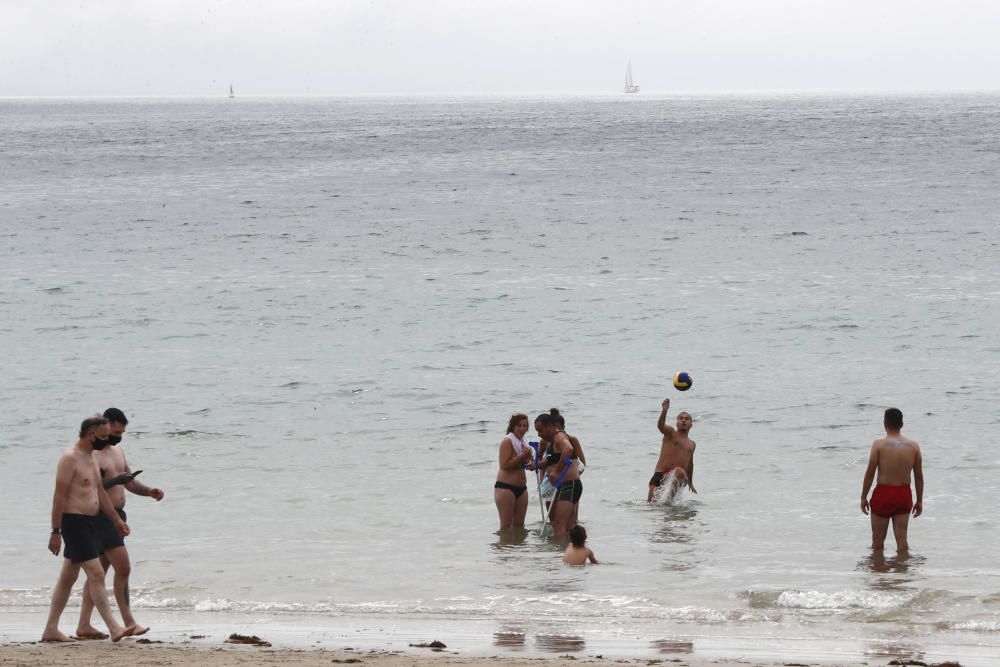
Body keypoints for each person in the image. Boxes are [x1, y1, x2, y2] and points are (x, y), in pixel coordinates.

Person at [42, 415, 136, 643]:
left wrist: (116, 520)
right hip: (74, 522)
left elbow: (100, 494)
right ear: (90, 434)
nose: (107, 441)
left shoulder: (91, 457)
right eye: (103, 436)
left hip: (91, 522)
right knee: (96, 573)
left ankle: (51, 630)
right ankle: (114, 627)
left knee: (68, 577)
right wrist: (55, 531)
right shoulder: (69, 459)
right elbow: (59, 497)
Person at [76, 408, 164, 639]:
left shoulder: (118, 451)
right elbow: (89, 487)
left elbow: (129, 482)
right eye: (114, 432)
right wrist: (116, 481)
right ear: (104, 429)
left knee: (99, 573)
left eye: (122, 433)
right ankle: (129, 621)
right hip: (102, 517)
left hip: (118, 514)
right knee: (123, 568)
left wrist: (148, 491)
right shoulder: (92, 455)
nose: (117, 437)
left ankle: (84, 625)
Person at [860, 408, 924, 551]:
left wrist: (863, 496)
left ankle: (879, 571)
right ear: (901, 424)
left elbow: (870, 473)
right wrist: (919, 500)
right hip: (903, 494)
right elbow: (918, 476)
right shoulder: (914, 446)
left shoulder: (879, 444)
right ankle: (902, 570)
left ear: (885, 423)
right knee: (902, 538)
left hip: (883, 493)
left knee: (877, 540)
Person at [536, 412, 581, 537]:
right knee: (566, 526)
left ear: (550, 426)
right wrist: (537, 465)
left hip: (569, 485)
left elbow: (569, 449)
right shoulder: (552, 442)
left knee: (559, 526)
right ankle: (567, 552)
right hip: (564, 485)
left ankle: (560, 555)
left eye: (540, 430)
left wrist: (556, 472)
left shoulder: (559, 436)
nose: (539, 434)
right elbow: (552, 460)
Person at [647, 398, 697, 503]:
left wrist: (691, 482)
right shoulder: (670, 433)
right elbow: (660, 426)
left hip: (678, 477)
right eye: (681, 418)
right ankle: (665, 504)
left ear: (691, 425)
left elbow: (690, 463)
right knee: (651, 506)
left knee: (680, 472)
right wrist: (664, 410)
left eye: (687, 419)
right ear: (677, 423)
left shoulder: (692, 444)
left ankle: (667, 502)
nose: (683, 420)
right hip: (660, 475)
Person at [494, 413, 534, 530]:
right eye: (519, 426)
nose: (522, 429)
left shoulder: (524, 442)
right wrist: (523, 456)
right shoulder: (507, 441)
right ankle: (505, 547)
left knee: (520, 526)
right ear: (513, 427)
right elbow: (505, 465)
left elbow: (526, 461)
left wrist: (531, 462)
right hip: (506, 488)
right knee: (506, 526)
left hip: (522, 488)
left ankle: (517, 549)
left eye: (525, 426)